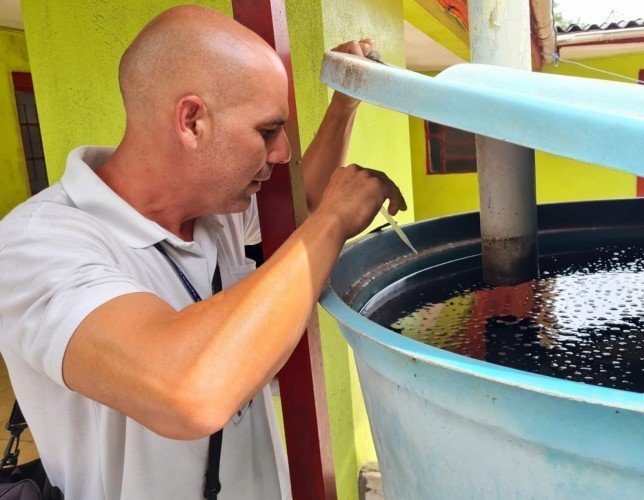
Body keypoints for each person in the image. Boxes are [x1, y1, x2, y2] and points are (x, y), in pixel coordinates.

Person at [0, 5, 405, 499]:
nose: (281, 154)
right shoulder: (37, 244)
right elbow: (189, 391)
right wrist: (335, 221)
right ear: (192, 121)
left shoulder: (217, 209)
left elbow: (303, 210)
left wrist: (343, 105)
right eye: (266, 132)